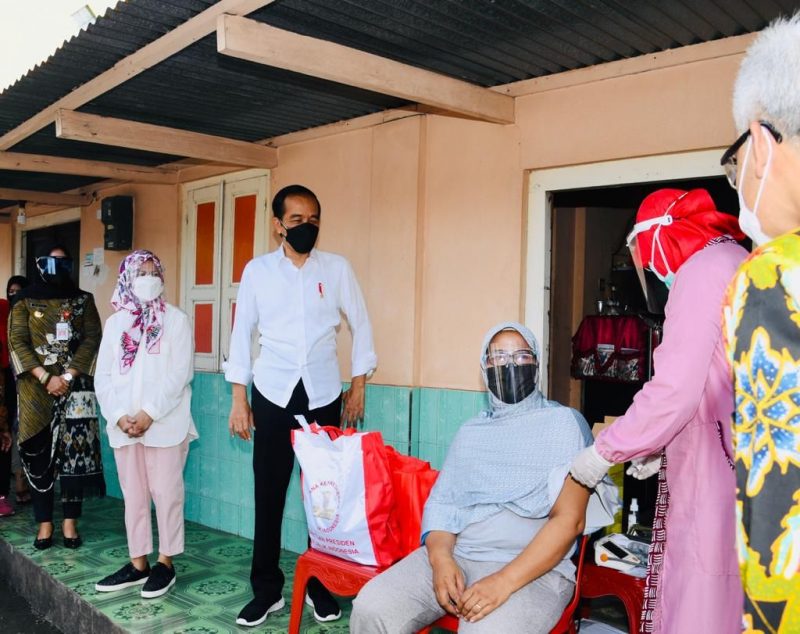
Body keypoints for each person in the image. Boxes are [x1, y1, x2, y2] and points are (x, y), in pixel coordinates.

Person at [351, 322, 617, 634]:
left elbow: (569, 521)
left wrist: (503, 581)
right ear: (484, 368)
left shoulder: (565, 425)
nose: (510, 365)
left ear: (536, 364)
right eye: (498, 358)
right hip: (460, 557)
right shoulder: (471, 433)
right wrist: (440, 560)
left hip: (535, 571)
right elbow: (443, 506)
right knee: (372, 608)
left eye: (521, 357)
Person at [568, 188, 747, 633]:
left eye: (644, 257)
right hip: (732, 458)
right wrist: (662, 446)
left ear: (659, 238)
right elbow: (715, 382)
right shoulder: (732, 259)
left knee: (704, 590)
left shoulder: (702, 271)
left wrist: (605, 451)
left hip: (717, 476)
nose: (651, 272)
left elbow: (675, 389)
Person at [225, 184, 377, 627]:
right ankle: (267, 590)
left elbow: (361, 322)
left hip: (325, 393)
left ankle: (320, 585)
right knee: (268, 493)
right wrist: (239, 397)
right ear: (278, 226)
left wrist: (360, 383)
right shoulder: (258, 272)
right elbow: (241, 335)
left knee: (323, 498)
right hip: (272, 393)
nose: (306, 227)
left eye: (313, 219)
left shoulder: (337, 268)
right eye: (296, 220)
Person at [721, 13, 800, 633]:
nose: (738, 184)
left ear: (762, 141)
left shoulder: (772, 279)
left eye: (735, 163)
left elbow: (778, 513)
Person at [94, 250, 198, 599]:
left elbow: (179, 374)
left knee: (167, 494)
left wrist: (149, 413)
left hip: (165, 423)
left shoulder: (176, 319)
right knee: (134, 496)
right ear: (126, 278)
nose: (149, 276)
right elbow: (103, 376)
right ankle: (138, 563)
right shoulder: (115, 323)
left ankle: (165, 563)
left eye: (155, 270)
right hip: (124, 426)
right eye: (141, 271)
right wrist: (119, 415)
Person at [7, 245, 104, 549]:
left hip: (77, 390)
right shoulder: (23, 301)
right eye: (52, 261)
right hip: (36, 391)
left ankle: (70, 523)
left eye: (64, 261)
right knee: (37, 455)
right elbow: (17, 342)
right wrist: (46, 377)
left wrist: (69, 375)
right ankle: (45, 523)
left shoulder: (83, 300)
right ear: (39, 265)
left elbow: (92, 338)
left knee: (74, 457)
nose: (58, 266)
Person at [4, 276, 30, 510]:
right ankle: (16, 486)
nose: (14, 295)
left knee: (23, 435)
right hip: (7, 384)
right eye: (11, 291)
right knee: (9, 434)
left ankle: (23, 484)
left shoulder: (32, 316)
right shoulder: (4, 315)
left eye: (18, 291)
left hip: (28, 385)